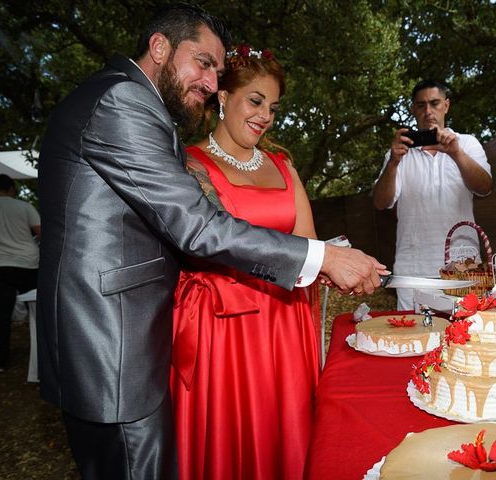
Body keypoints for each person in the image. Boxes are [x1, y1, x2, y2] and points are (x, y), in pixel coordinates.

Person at [36, 4, 385, 479]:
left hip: (130, 343)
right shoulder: (123, 102)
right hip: (114, 347)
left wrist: (324, 259)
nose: (210, 80)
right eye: (203, 62)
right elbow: (197, 227)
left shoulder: (129, 104)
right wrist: (323, 256)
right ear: (159, 47)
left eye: (217, 70)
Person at [170, 43, 319, 480]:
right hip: (225, 326)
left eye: (273, 107)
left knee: (287, 436)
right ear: (222, 96)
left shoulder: (283, 164)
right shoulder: (189, 165)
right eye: (255, 101)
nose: (265, 116)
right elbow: (204, 243)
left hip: (286, 320)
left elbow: (306, 240)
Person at [373, 79, 492, 310]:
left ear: (446, 106)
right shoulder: (400, 153)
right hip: (413, 268)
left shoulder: (467, 143)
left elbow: (485, 187)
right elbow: (381, 203)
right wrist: (394, 163)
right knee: (413, 338)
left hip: (462, 267)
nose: (428, 111)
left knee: (464, 334)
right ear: (413, 109)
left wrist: (456, 154)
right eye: (421, 105)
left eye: (435, 103)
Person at [0, 174, 40, 373]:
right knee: (38, 311)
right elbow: (41, 231)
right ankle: (42, 354)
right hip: (29, 263)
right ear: (11, 188)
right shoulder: (24, 207)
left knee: (0, 315)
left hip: (0, 265)